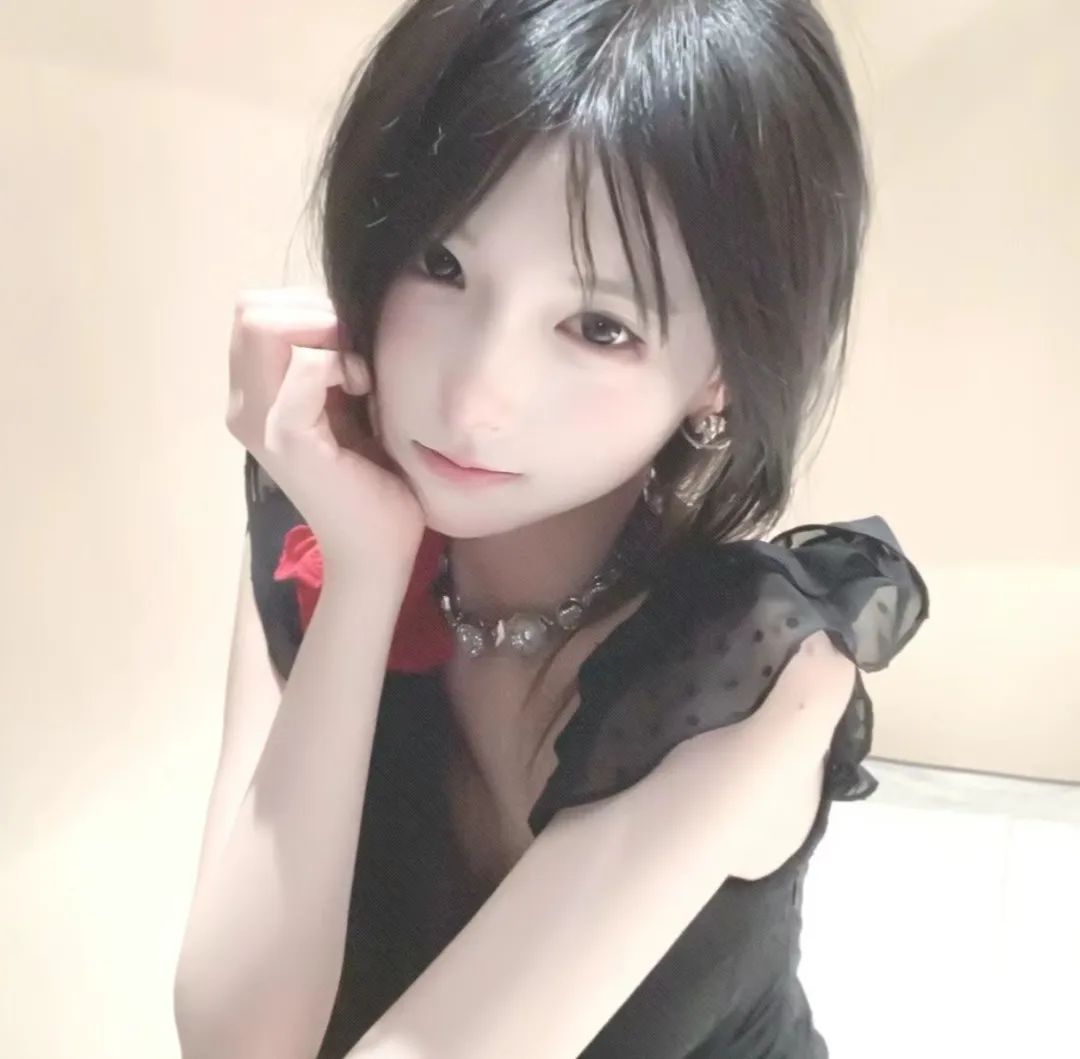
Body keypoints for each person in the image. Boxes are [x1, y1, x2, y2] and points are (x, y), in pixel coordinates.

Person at [174, 2, 931, 1058]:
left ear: (720, 371)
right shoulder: (321, 508)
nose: (474, 397)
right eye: (441, 264)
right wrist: (363, 576)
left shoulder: (754, 674)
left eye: (599, 327)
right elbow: (236, 1042)